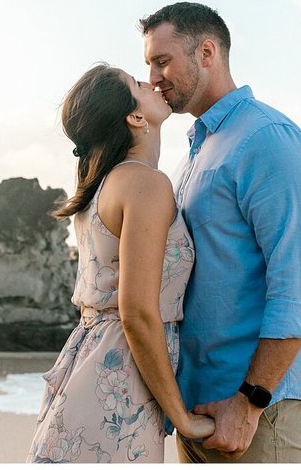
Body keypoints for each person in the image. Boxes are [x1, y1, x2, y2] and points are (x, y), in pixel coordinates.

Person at [139, 2, 301, 463]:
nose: (153, 78)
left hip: (261, 410)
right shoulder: (198, 150)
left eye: (162, 61)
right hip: (198, 409)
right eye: (148, 65)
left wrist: (250, 402)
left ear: (207, 52)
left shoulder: (268, 139)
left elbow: (299, 288)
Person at [27, 63, 215, 463]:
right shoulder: (144, 183)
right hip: (118, 382)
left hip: (93, 371)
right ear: (134, 117)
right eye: (138, 83)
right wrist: (182, 418)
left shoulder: (103, 184)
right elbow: (137, 312)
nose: (152, 82)